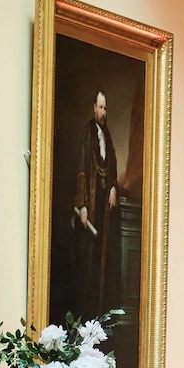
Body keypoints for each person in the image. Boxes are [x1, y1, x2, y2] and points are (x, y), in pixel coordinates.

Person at [70, 90, 119, 319]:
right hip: (89, 205)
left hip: (103, 205)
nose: (103, 112)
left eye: (105, 108)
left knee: (103, 259)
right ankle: (84, 315)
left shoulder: (106, 136)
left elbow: (111, 166)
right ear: (93, 108)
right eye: (100, 107)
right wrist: (83, 206)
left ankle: (99, 314)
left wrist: (112, 188)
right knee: (86, 262)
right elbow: (81, 170)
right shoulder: (87, 134)